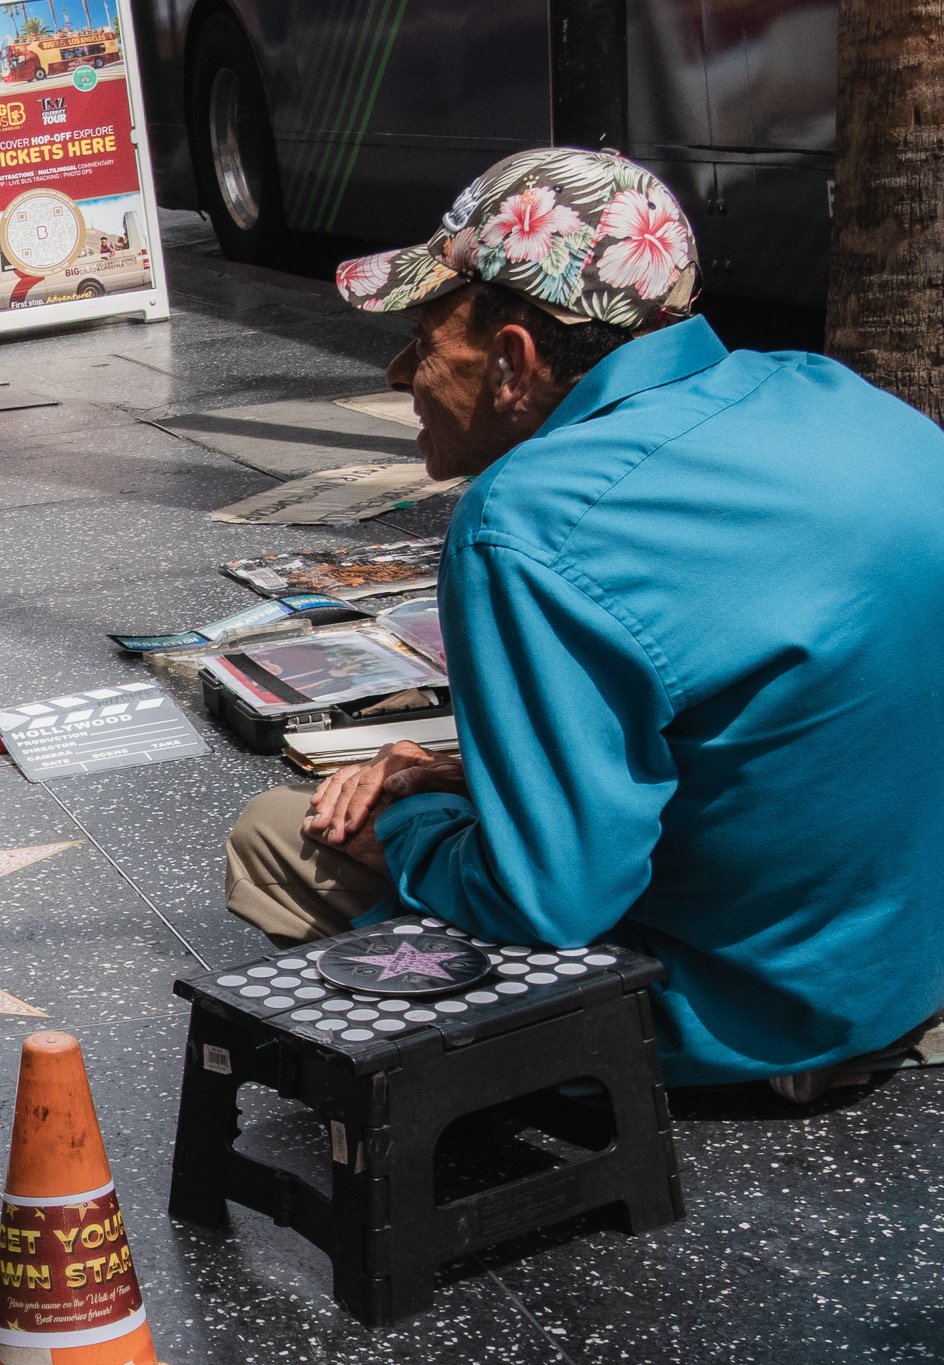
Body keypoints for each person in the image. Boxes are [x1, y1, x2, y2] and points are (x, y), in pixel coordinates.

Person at [223, 147, 944, 1102]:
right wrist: (481, 780)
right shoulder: (835, 394)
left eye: (424, 340)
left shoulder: (525, 522)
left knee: (278, 832)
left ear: (515, 359)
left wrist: (409, 821)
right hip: (911, 954)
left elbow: (548, 900)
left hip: (754, 1011)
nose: (401, 372)